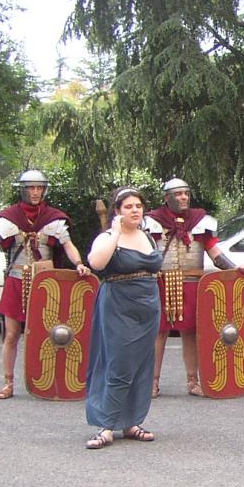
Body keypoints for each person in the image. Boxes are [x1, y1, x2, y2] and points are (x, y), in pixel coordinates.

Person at [0, 170, 89, 398]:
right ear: (23, 190)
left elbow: (68, 245)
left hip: (45, 285)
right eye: (31, 188)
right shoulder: (8, 218)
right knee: (11, 335)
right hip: (16, 281)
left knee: (49, 335)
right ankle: (8, 383)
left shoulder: (54, 218)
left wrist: (79, 263)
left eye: (39, 188)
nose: (35, 192)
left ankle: (48, 383)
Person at [144, 177, 244, 397]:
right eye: (178, 194)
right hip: (161, 283)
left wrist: (234, 268)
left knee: (191, 333)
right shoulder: (152, 222)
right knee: (158, 333)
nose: (183, 198)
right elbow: (144, 253)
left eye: (186, 194)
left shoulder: (200, 222)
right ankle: (152, 382)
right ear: (167, 198)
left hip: (192, 284)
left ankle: (193, 381)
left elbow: (215, 253)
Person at [84, 187, 164, 449]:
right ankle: (106, 426)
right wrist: (116, 233)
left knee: (141, 365)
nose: (135, 210)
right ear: (117, 211)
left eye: (138, 206)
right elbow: (97, 263)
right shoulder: (107, 237)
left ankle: (132, 422)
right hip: (119, 306)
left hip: (148, 307)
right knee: (119, 365)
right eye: (128, 207)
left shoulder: (148, 237)